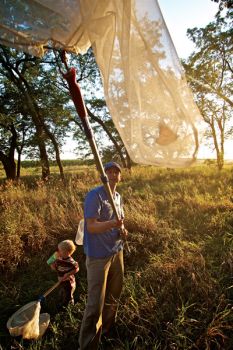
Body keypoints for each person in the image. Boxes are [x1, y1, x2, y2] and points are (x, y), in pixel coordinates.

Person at [79, 161, 128, 350]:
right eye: (109, 171)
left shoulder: (118, 197)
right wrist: (112, 224)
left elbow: (120, 223)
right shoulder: (95, 195)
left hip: (117, 251)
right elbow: (91, 226)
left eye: (117, 172)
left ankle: (107, 329)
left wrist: (123, 231)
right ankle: (88, 344)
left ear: (120, 176)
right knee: (95, 304)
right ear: (104, 175)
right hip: (99, 256)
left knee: (114, 295)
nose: (114, 174)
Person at [47, 240, 79, 307]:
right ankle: (62, 302)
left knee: (68, 296)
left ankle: (69, 307)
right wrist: (52, 264)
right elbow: (54, 266)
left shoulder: (70, 261)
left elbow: (77, 268)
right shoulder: (59, 258)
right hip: (61, 280)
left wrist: (68, 274)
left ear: (67, 252)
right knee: (62, 292)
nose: (58, 251)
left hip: (68, 282)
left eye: (60, 250)